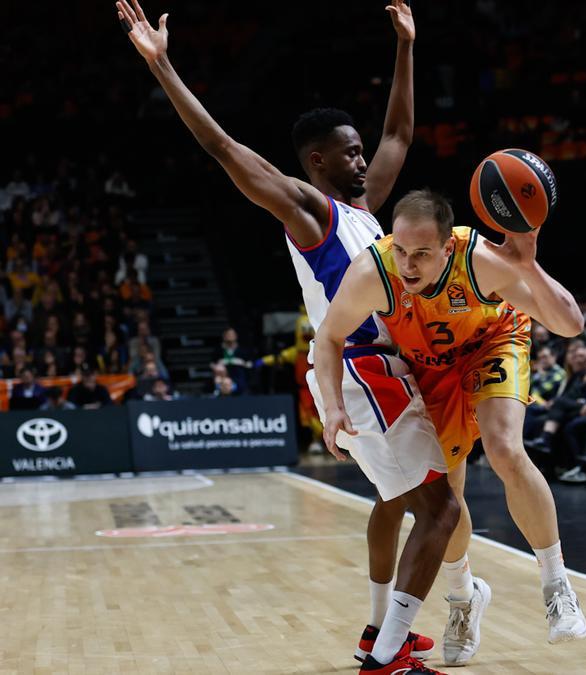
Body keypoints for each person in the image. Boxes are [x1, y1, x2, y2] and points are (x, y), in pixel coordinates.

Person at [114, 2, 448, 673]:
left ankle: (381, 633)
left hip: (372, 375)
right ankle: (386, 656)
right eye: (349, 153)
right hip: (363, 372)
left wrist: (405, 47)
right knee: (441, 510)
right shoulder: (309, 211)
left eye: (361, 151)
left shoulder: (358, 210)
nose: (364, 160)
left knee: (410, 504)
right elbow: (222, 148)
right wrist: (163, 64)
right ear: (317, 160)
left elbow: (399, 135)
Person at [315, 189, 586, 664]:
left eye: (422, 253)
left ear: (448, 246)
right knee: (448, 495)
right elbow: (329, 336)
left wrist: (526, 266)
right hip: (431, 370)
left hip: (492, 344)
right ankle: (464, 596)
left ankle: (557, 586)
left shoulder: (480, 259)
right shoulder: (372, 272)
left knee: (504, 449)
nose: (407, 264)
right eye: (400, 250)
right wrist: (333, 405)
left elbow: (570, 324)